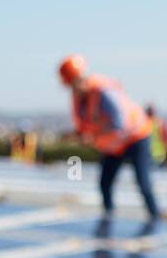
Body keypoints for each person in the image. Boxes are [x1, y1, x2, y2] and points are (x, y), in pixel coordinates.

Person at [58, 54, 160, 221]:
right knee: (105, 184)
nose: (72, 88)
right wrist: (76, 135)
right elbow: (89, 125)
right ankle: (108, 218)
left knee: (143, 184)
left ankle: (155, 217)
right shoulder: (79, 98)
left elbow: (119, 125)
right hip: (113, 145)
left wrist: (92, 136)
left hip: (135, 137)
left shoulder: (104, 92)